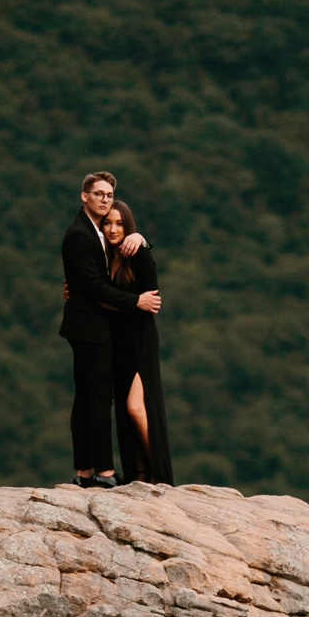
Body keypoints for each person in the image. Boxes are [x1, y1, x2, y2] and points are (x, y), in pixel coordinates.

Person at [59, 170, 160, 489]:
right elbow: (94, 286)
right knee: (98, 397)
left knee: (88, 397)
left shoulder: (99, 231)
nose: (104, 199)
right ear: (84, 196)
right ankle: (102, 472)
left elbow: (117, 251)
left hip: (92, 326)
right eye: (98, 194)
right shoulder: (79, 234)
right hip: (89, 327)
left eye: (109, 195)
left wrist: (142, 238)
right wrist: (137, 301)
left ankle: (85, 471)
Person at [101, 199, 175, 484]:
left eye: (119, 223)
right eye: (107, 222)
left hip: (141, 339)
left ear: (128, 225)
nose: (113, 228)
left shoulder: (138, 252)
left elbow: (152, 301)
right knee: (125, 411)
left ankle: (161, 473)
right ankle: (141, 474)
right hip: (117, 343)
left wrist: (142, 240)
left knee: (136, 407)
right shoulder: (103, 258)